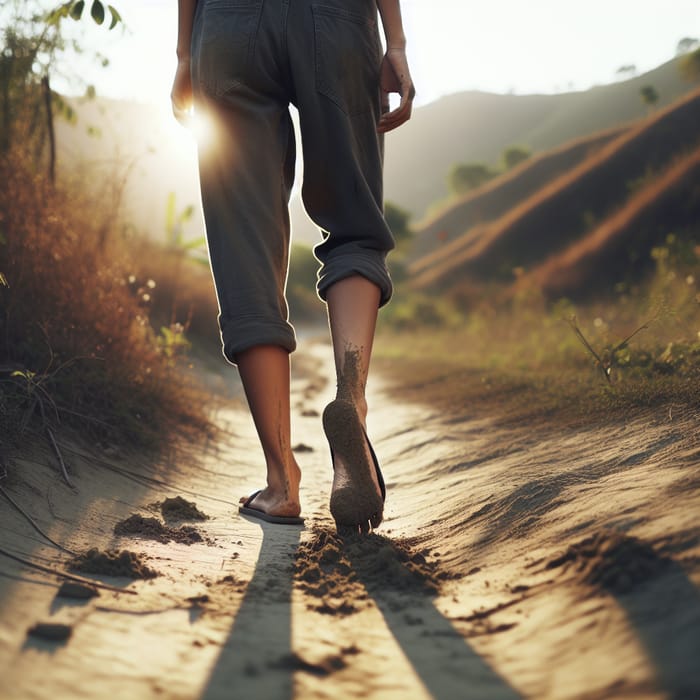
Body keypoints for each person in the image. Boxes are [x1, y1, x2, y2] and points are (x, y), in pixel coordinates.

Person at [171, 0, 415, 531]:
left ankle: (281, 482)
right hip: (336, 20)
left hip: (229, 27)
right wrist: (395, 42)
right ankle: (350, 396)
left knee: (244, 250)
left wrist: (185, 55)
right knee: (353, 223)